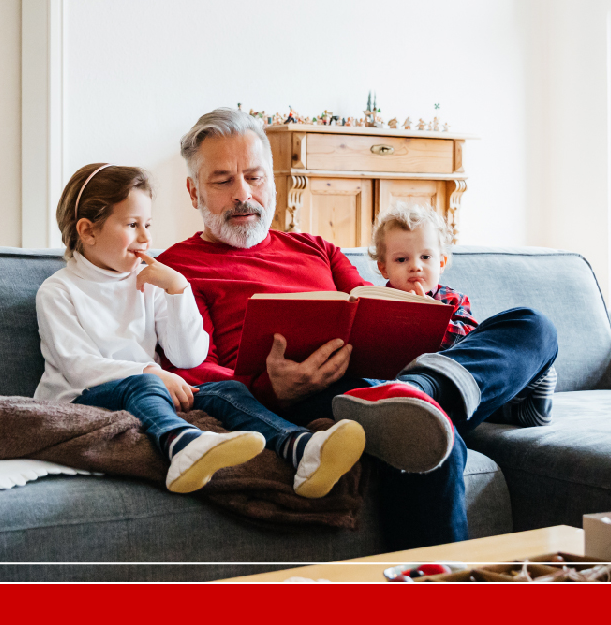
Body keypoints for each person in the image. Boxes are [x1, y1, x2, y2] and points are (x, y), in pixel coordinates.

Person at [156, 108, 558, 549]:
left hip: (387, 380)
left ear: (272, 180)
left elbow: (373, 307)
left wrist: (411, 317)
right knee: (429, 438)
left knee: (532, 325)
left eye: (254, 177)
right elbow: (195, 371)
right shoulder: (175, 271)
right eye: (223, 181)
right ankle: (429, 399)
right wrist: (272, 390)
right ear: (194, 191)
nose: (243, 194)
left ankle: (423, 389)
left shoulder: (317, 249)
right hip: (315, 400)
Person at [34, 163, 366, 498]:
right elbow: (78, 367)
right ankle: (182, 445)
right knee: (146, 384)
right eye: (132, 225)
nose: (146, 238)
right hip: (82, 398)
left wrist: (179, 291)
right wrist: (150, 371)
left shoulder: (149, 282)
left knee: (226, 391)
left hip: (150, 390)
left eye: (147, 224)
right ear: (88, 231)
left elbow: (187, 355)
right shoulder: (58, 291)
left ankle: (300, 447)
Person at [369, 202, 556, 427]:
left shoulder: (452, 299)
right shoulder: (375, 302)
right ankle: (410, 395)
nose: (415, 266)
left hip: (452, 378)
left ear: (441, 263)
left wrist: (433, 318)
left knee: (532, 323)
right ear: (384, 268)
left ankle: (518, 405)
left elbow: (471, 342)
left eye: (426, 257)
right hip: (393, 383)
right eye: (402, 259)